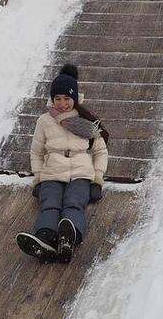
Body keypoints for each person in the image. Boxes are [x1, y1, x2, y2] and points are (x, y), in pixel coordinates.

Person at [16, 64, 108, 264]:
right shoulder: (44, 121)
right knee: (50, 204)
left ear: (74, 98)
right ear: (52, 99)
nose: (62, 103)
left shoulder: (86, 119)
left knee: (74, 203)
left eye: (67, 98)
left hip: (81, 171)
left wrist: (98, 179)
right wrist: (39, 177)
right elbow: (37, 151)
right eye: (58, 98)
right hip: (52, 171)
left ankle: (69, 236)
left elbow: (100, 151)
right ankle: (45, 239)